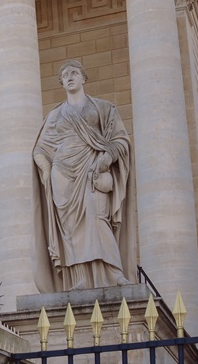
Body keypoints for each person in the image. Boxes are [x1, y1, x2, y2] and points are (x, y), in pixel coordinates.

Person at [34, 60, 133, 290]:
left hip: (92, 169)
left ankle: (114, 273)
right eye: (65, 75)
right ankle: (79, 278)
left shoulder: (103, 108)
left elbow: (120, 140)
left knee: (98, 217)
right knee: (71, 228)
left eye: (74, 73)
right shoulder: (56, 115)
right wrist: (47, 169)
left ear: (83, 78)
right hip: (62, 174)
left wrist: (107, 157)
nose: (69, 77)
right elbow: (40, 149)